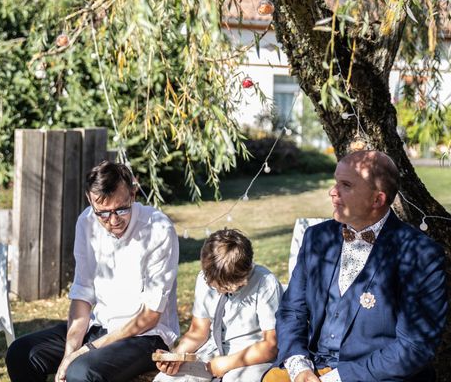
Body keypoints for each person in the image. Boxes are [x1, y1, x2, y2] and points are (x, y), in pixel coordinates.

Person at [264, 150, 447, 382]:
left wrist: (335, 379)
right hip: (311, 370)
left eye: (346, 185)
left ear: (377, 200)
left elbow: (414, 347)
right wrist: (299, 366)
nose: (333, 192)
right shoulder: (316, 238)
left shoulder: (420, 255)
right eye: (335, 182)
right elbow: (292, 311)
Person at [5, 160, 180, 382]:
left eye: (121, 209)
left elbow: (150, 315)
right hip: (99, 327)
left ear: (133, 194)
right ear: (90, 200)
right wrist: (70, 352)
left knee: (82, 371)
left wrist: (86, 350)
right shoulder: (86, 222)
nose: (113, 220)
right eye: (103, 213)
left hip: (146, 336)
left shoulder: (158, 229)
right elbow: (82, 294)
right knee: (21, 353)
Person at [153, 229, 282, 382]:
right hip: (211, 353)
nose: (218, 290)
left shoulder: (265, 283)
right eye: (213, 286)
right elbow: (198, 331)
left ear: (245, 274)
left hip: (250, 358)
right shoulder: (205, 278)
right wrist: (176, 356)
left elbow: (271, 345)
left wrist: (228, 363)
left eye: (226, 288)